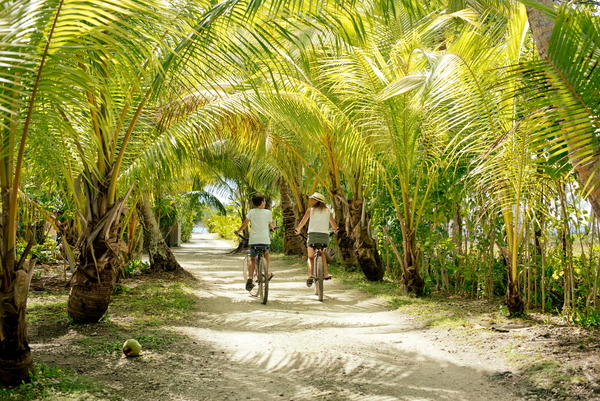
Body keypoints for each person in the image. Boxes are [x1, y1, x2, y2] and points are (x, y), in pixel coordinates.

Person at [294, 192, 339, 287]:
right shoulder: (328, 211)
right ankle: (326, 274)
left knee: (310, 257)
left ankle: (310, 275)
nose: (310, 200)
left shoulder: (310, 210)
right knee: (321, 253)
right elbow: (333, 223)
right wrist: (335, 230)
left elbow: (303, 222)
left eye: (312, 199)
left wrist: (298, 230)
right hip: (324, 237)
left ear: (317, 201)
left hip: (312, 236)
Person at [235, 193, 278, 291]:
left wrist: (238, 231)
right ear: (262, 202)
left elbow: (245, 224)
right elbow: (272, 224)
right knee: (266, 253)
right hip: (264, 240)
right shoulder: (268, 212)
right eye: (264, 201)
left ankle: (250, 278)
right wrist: (273, 227)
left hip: (254, 240)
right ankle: (266, 272)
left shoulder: (251, 212)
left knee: (253, 259)